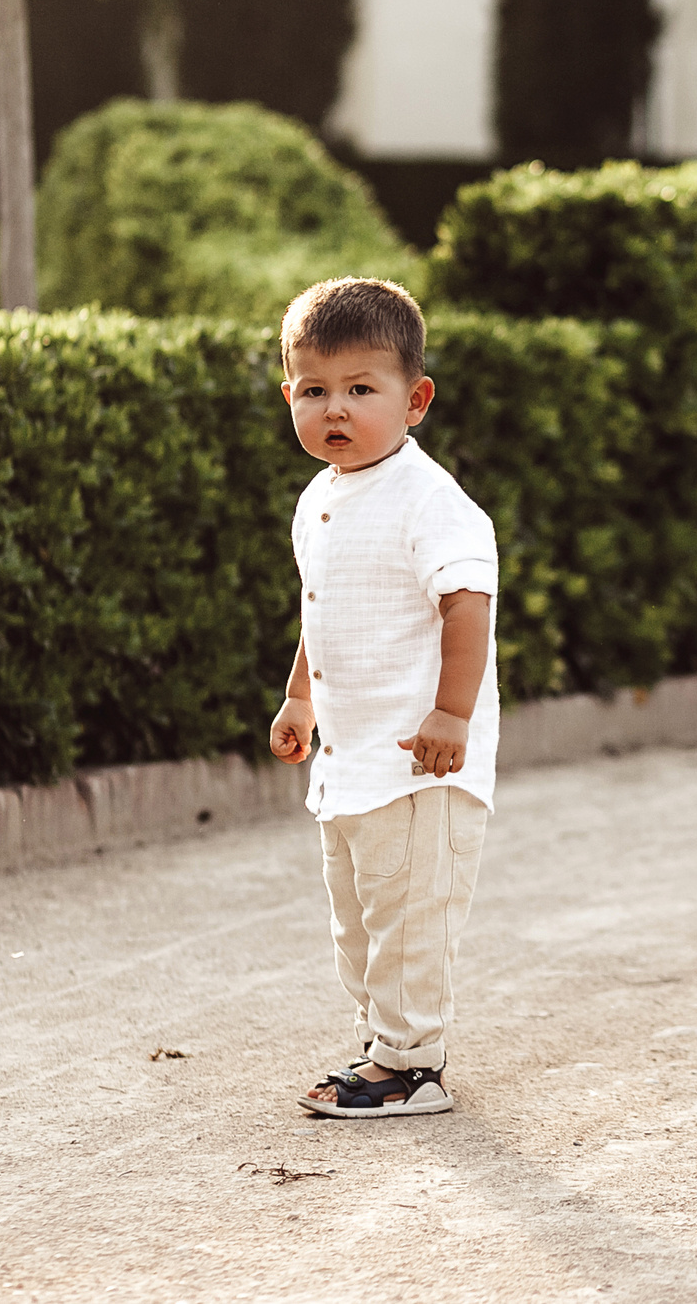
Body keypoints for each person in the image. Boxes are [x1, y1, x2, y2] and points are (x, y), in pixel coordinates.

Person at [267, 276, 499, 1118]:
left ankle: (413, 1063)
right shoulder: (320, 498)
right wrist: (302, 700)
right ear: (289, 392)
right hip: (351, 761)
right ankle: (380, 1047)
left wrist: (452, 712)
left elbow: (467, 603)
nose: (337, 408)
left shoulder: (431, 501)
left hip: (420, 764)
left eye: (363, 389)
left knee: (409, 917)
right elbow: (320, 611)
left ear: (416, 398)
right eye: (315, 389)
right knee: (358, 921)